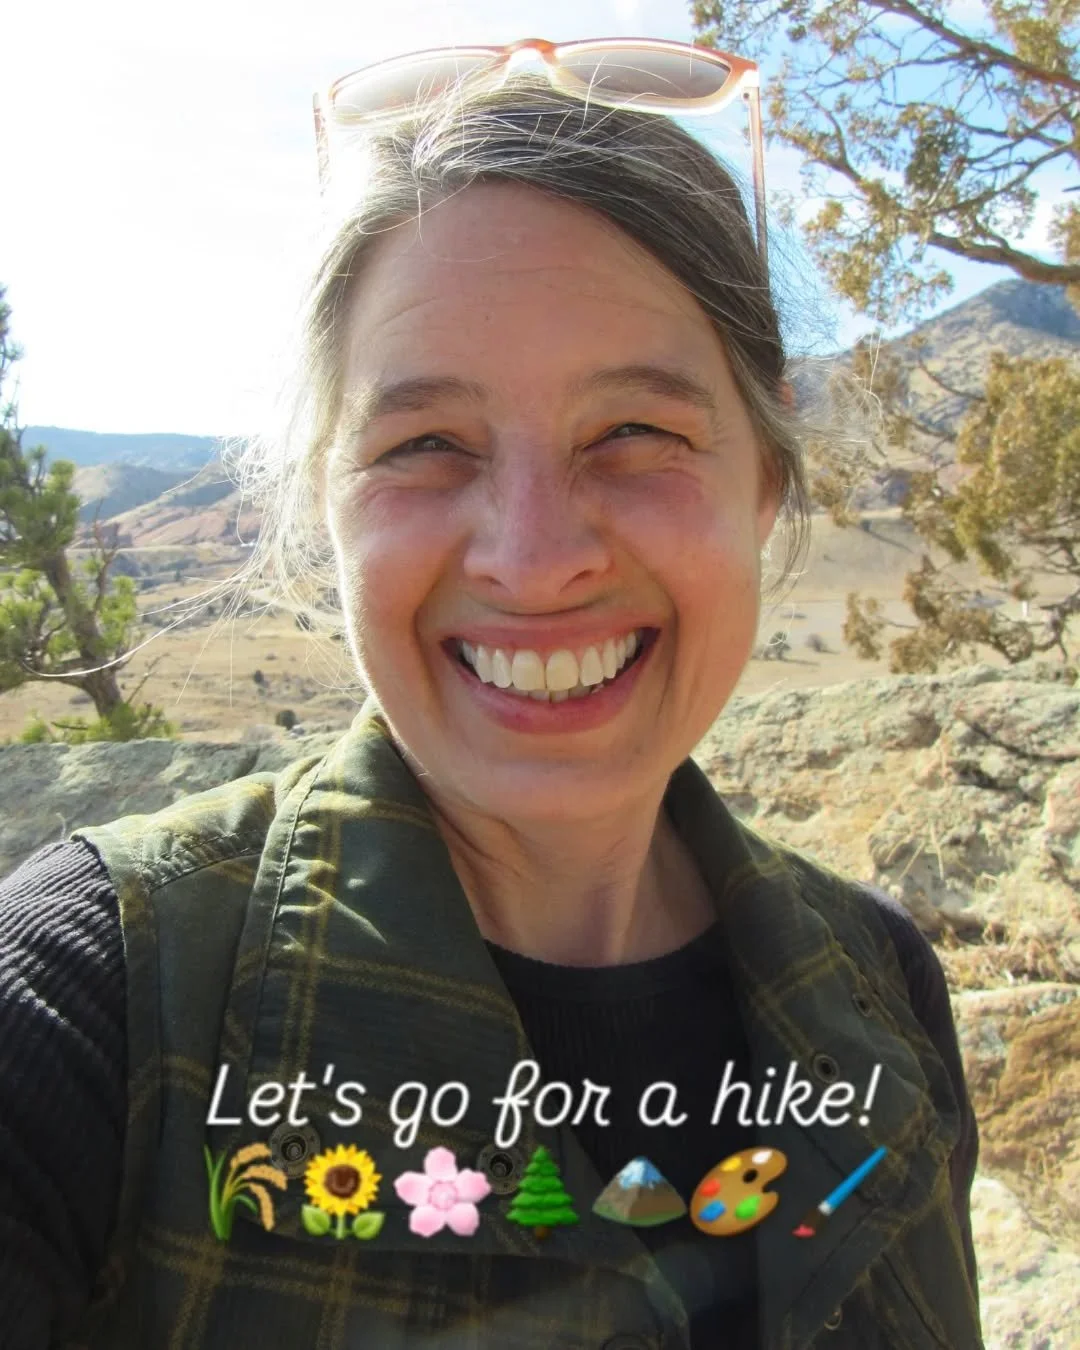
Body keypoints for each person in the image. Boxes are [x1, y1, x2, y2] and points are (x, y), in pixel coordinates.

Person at [0, 40, 982, 1350]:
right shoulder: (90, 1015)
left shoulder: (880, 993)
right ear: (326, 507)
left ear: (764, 475)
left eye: (636, 433)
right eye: (425, 447)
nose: (532, 555)